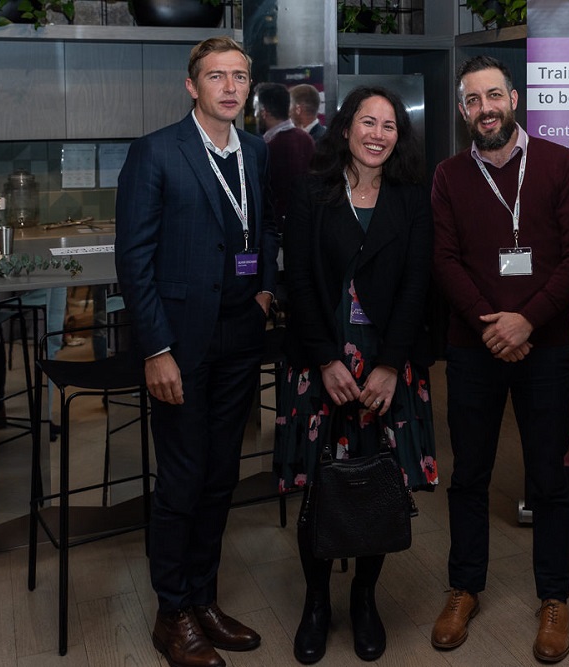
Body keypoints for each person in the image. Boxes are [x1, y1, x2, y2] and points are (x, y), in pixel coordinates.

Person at [115, 36, 278, 667]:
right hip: (179, 343)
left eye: (239, 76)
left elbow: (261, 226)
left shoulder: (256, 152)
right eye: (218, 77)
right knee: (182, 478)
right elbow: (135, 260)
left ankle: (204, 597)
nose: (231, 87)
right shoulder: (156, 152)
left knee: (221, 474)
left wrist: (264, 287)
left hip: (239, 337)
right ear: (192, 86)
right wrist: (156, 348)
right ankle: (172, 612)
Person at [430, 55, 569, 664]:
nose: (484, 109)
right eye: (472, 101)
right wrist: (493, 326)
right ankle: (464, 587)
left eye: (493, 96)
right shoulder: (448, 175)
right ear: (463, 110)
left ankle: (554, 598)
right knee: (468, 474)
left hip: (545, 345)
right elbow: (444, 261)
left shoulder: (558, 163)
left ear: (515, 98)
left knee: (548, 479)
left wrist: (527, 319)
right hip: (471, 350)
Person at [275, 85, 438, 664]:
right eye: (366, 122)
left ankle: (365, 599)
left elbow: (419, 284)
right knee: (322, 489)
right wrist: (324, 359)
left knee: (379, 487)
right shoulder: (312, 192)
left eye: (389, 125)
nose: (377, 134)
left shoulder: (413, 198)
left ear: (400, 136)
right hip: (321, 357)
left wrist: (391, 365)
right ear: (344, 129)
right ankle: (317, 603)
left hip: (387, 360)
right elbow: (297, 283)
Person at [254, 82, 316, 231]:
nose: (254, 114)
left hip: (277, 234)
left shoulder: (267, 148)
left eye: (255, 109)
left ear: (263, 112)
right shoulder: (307, 139)